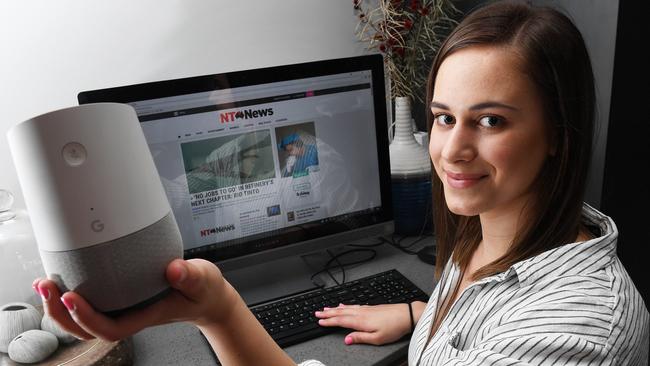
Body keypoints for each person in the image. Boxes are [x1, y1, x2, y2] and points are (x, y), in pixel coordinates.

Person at [33, 1, 649, 365]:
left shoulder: (567, 335)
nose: (453, 148)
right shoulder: (492, 235)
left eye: (491, 120)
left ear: (560, 134)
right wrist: (422, 313)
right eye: (442, 118)